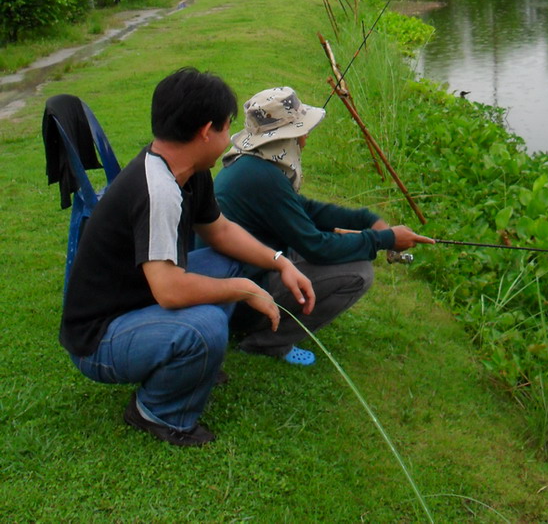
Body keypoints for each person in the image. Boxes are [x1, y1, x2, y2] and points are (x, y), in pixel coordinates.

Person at [59, 68, 315, 446]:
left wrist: (280, 261)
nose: (231, 138)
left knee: (227, 262)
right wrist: (244, 290)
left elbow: (221, 231)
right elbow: (169, 291)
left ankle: (195, 367)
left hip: (135, 300)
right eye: (228, 129)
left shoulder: (186, 170)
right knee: (206, 325)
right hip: (99, 341)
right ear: (206, 131)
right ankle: (158, 413)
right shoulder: (158, 190)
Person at [214, 87, 435, 364]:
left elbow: (305, 209)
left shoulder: (252, 165)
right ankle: (267, 342)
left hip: (242, 277)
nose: (305, 140)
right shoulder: (263, 178)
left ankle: (269, 327)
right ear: (283, 139)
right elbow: (317, 247)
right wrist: (385, 239)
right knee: (359, 273)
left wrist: (366, 221)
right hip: (242, 298)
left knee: (333, 248)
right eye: (300, 132)